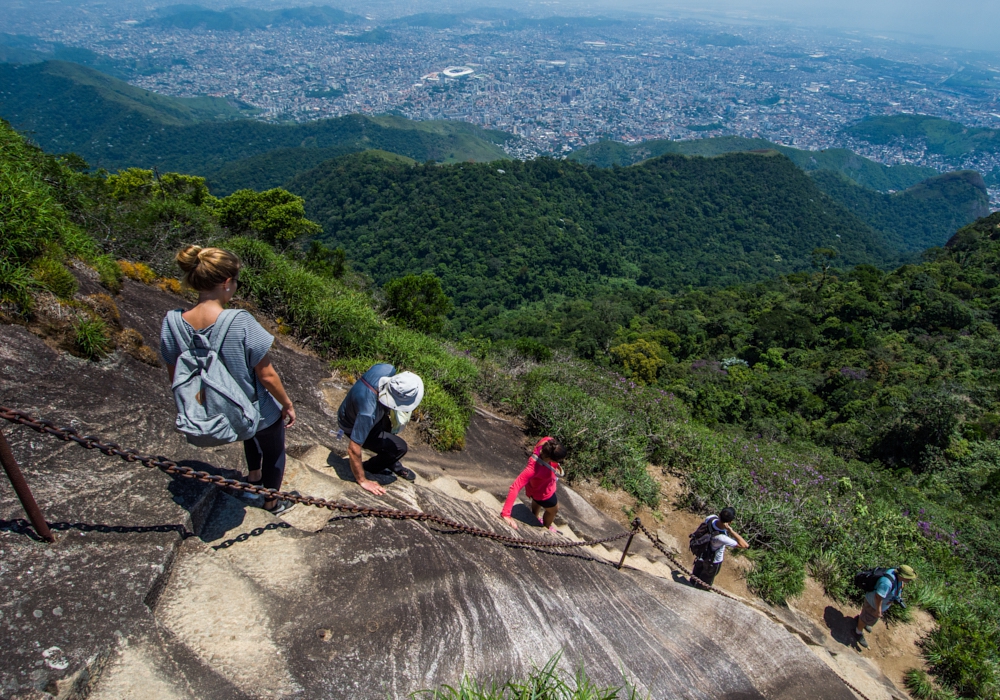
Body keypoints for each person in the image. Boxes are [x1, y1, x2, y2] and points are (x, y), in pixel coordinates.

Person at [160, 246, 297, 515]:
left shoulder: (172, 323)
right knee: (274, 450)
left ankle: (253, 478)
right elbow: (266, 375)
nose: (235, 286)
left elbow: (175, 373)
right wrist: (286, 404)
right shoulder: (239, 321)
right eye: (235, 281)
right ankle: (272, 502)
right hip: (254, 410)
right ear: (226, 283)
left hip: (213, 409)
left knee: (250, 434)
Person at [337, 363, 424, 496]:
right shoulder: (368, 413)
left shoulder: (385, 369)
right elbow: (353, 448)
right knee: (399, 447)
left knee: (388, 425)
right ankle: (371, 467)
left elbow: (371, 369)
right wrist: (363, 480)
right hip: (351, 424)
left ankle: (390, 462)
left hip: (350, 410)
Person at [500, 437, 567, 533]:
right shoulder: (533, 468)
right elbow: (515, 487)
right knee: (553, 510)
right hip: (544, 493)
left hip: (534, 488)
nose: (560, 462)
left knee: (536, 500)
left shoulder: (547, 442)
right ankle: (546, 527)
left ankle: (535, 517)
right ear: (550, 458)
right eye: (559, 460)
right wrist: (506, 514)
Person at [854, 565, 917, 649]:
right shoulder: (886, 583)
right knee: (867, 616)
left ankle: (864, 622)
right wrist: (878, 610)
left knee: (869, 617)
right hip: (873, 604)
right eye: (909, 578)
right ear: (902, 575)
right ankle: (858, 631)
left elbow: (898, 586)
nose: (910, 580)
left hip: (879, 605)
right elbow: (878, 597)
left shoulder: (896, 576)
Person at [690, 507, 749, 589]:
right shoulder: (722, 537)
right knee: (704, 586)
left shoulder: (710, 518)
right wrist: (730, 531)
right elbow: (745, 545)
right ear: (730, 522)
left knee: (694, 578)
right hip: (713, 562)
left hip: (701, 554)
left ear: (719, 515)